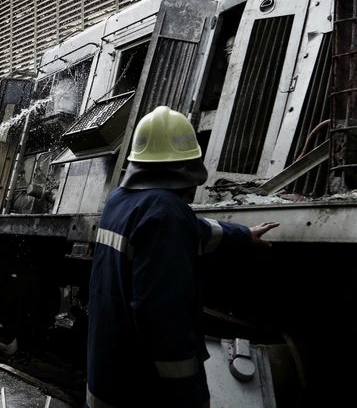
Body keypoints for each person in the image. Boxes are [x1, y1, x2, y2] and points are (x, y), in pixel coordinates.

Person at [86, 106, 278, 408]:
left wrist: (242, 235)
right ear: (182, 169)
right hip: (143, 391)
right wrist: (191, 395)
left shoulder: (120, 202)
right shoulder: (165, 214)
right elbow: (164, 321)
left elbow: (192, 230)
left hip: (106, 378)